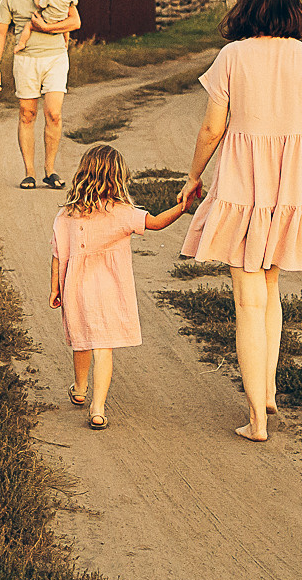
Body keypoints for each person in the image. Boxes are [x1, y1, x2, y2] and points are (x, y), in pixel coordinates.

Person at [177, 0, 302, 443]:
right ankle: (266, 391)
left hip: (241, 188)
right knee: (271, 289)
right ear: (293, 7)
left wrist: (193, 175)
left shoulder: (232, 56)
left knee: (248, 301)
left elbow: (212, 129)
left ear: (248, 4)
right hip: (292, 191)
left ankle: (257, 420)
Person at [50, 143, 195, 429]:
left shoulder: (67, 214)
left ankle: (79, 388)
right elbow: (156, 223)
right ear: (118, 179)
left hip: (77, 289)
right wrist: (182, 207)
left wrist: (55, 287)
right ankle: (98, 409)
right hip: (110, 291)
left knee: (81, 340)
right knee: (103, 348)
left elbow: (57, 253)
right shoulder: (122, 212)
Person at [0, 0, 81, 188]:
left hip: (55, 58)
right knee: (27, 114)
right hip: (26, 60)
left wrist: (48, 28)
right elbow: (0, 32)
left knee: (54, 113)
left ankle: (50, 170)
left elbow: (75, 21)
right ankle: (29, 173)